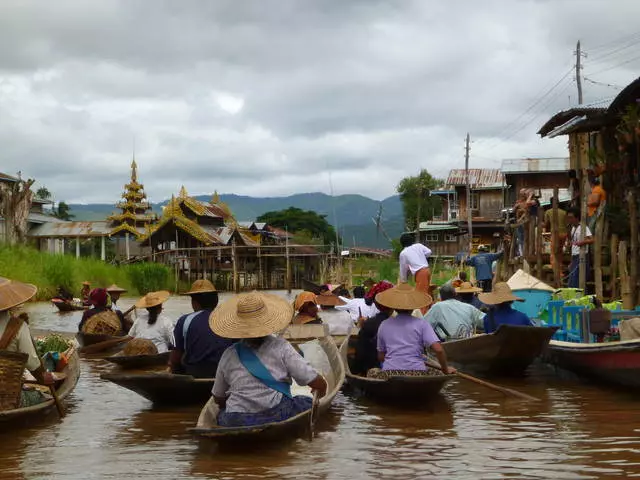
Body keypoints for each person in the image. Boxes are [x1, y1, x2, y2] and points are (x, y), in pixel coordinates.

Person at [211, 291, 328, 427]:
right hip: (276, 414)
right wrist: (322, 388)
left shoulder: (229, 354)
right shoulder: (282, 347)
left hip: (236, 419)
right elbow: (315, 382)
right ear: (267, 321)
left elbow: (218, 397)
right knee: (304, 402)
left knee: (222, 414)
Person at [373, 283, 456, 376]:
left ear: (394, 308)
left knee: (372, 372)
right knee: (438, 373)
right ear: (413, 307)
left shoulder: (384, 325)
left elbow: (381, 356)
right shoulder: (422, 324)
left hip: (390, 373)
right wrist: (445, 369)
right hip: (417, 373)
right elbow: (439, 350)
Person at [0, 277, 55, 407]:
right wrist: (43, 378)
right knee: (43, 397)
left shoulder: (18, 324)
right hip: (7, 397)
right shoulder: (19, 326)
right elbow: (31, 363)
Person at [170, 279, 233, 378]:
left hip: (195, 373)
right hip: (225, 373)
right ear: (215, 301)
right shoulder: (229, 319)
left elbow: (175, 359)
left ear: (194, 302)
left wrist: (173, 371)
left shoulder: (185, 320)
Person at [353, 281, 394, 375]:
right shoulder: (403, 323)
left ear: (376, 304)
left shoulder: (371, 324)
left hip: (375, 369)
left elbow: (361, 353)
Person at [398, 233, 432, 313]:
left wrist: (403, 281)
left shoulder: (403, 253)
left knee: (420, 296)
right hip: (427, 270)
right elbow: (429, 252)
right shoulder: (418, 245)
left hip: (420, 273)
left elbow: (403, 269)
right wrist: (422, 257)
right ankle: (428, 311)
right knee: (426, 292)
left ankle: (422, 315)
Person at [566, 208, 593, 289]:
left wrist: (582, 242)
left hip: (582, 257)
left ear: (577, 218)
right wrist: (571, 262)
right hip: (575, 257)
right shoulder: (573, 229)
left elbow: (592, 239)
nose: (569, 220)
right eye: (568, 217)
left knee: (577, 281)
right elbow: (573, 247)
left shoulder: (583, 227)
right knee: (572, 281)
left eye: (571, 217)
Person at [543, 198, 568, 268]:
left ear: (550, 204)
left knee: (553, 252)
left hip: (555, 234)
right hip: (564, 234)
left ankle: (554, 267)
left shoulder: (548, 212)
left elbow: (546, 224)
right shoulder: (564, 212)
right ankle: (559, 265)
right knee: (560, 250)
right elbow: (567, 224)